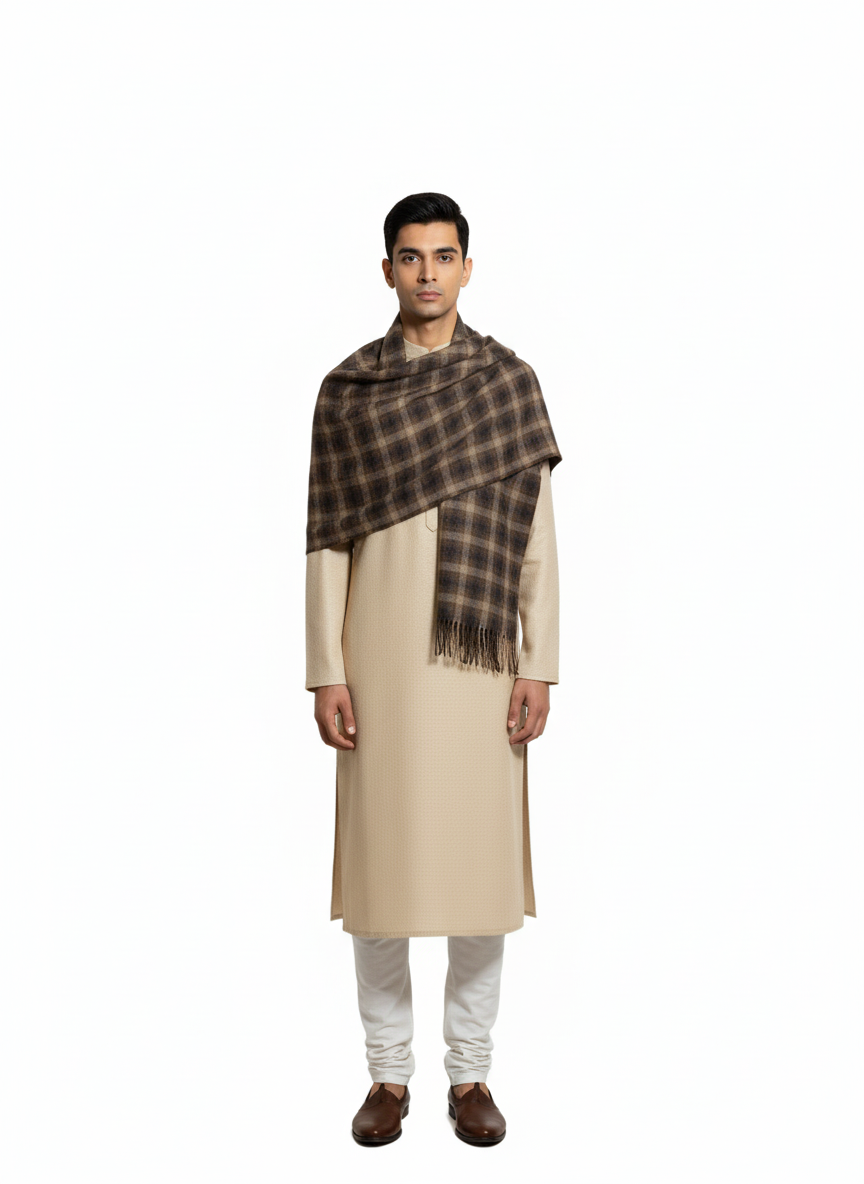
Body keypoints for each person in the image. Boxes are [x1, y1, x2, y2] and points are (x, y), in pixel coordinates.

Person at [305, 192, 562, 1146]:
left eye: (442, 256)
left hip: (481, 661)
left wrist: (541, 664)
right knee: (382, 882)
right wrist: (326, 670)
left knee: (477, 879)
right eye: (410, 257)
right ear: (387, 271)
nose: (426, 273)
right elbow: (325, 541)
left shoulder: (508, 384)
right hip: (377, 662)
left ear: (466, 268)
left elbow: (536, 540)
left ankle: (470, 1075)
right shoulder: (348, 391)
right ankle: (386, 1077)